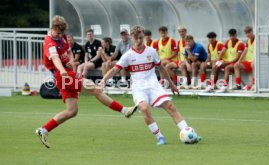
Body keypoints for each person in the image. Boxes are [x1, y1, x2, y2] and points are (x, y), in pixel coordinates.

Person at [35, 16, 137, 148]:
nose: (60, 36)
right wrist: (62, 70)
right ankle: (124, 110)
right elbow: (55, 58)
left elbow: (68, 51)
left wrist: (71, 61)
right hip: (63, 76)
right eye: (58, 33)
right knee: (96, 89)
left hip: (66, 74)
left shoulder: (62, 36)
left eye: (62, 33)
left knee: (72, 111)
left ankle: (43, 130)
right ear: (52, 28)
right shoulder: (49, 42)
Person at [100, 25, 201, 145]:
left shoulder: (151, 51)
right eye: (136, 38)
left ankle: (189, 133)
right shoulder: (128, 55)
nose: (139, 40)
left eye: (141, 38)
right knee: (143, 108)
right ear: (132, 37)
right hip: (139, 88)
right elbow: (114, 70)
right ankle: (160, 137)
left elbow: (162, 69)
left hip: (154, 85)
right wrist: (103, 81)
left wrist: (172, 84)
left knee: (170, 106)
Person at [217, 29, 245, 93]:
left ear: (236, 35)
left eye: (233, 36)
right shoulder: (228, 42)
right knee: (215, 66)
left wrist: (226, 63)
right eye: (230, 36)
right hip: (231, 62)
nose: (232, 37)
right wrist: (218, 61)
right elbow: (222, 52)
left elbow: (237, 58)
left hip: (239, 62)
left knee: (227, 67)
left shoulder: (240, 44)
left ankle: (225, 86)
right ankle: (211, 85)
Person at [233, 26, 255, 91]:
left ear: (252, 32)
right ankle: (238, 85)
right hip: (249, 61)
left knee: (254, 64)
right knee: (236, 65)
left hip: (256, 62)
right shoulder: (248, 41)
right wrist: (239, 61)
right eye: (246, 33)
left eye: (249, 32)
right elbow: (244, 51)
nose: (247, 34)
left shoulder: (258, 38)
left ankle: (254, 84)